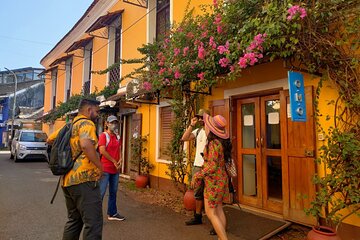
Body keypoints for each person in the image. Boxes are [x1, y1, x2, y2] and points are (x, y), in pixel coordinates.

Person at [47, 98, 103, 240]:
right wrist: (100, 166)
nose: (98, 115)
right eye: (96, 111)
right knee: (93, 223)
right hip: (84, 180)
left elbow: (50, 139)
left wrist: (69, 148)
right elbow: (85, 145)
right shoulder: (86, 123)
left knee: (74, 221)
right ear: (89, 110)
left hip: (67, 181)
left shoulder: (69, 125)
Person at [191, 113, 231, 240]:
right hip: (221, 179)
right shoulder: (221, 142)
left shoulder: (213, 143)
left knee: (210, 212)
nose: (205, 127)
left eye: (207, 125)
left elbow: (212, 166)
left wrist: (198, 175)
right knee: (219, 210)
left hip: (213, 182)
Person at [181, 109, 209, 226]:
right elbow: (184, 138)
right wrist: (192, 125)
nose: (200, 119)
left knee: (210, 194)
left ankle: (214, 220)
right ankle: (198, 217)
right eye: (199, 117)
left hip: (208, 166)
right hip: (197, 165)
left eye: (203, 117)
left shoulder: (211, 131)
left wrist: (208, 124)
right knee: (197, 192)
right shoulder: (197, 131)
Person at [98, 115, 125, 221]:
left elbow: (119, 149)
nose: (114, 125)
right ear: (107, 124)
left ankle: (112, 213)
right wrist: (114, 161)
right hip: (105, 168)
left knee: (113, 192)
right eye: (111, 122)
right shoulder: (104, 136)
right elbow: (102, 151)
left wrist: (121, 159)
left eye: (115, 122)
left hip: (115, 169)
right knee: (101, 193)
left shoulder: (117, 136)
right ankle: (95, 216)